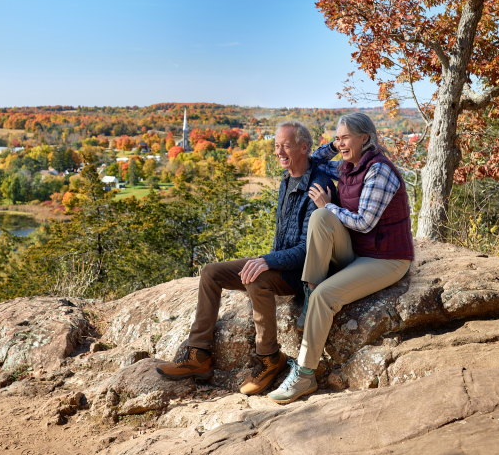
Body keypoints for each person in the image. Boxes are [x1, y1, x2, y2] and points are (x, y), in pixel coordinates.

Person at [156, 120, 338, 395]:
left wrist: (267, 261)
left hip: (301, 273)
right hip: (280, 261)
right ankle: (199, 355)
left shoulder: (319, 187)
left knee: (257, 281)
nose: (279, 152)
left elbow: (308, 250)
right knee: (210, 273)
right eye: (276, 146)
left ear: (304, 147)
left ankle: (269, 358)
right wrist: (267, 259)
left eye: (285, 146)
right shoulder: (287, 177)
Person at [268, 112, 414, 404]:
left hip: (386, 258)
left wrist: (329, 205)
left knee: (326, 293)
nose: (340, 143)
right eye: (337, 137)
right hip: (359, 252)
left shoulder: (379, 171)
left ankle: (306, 373)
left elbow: (364, 223)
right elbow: (317, 160)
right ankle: (310, 292)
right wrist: (336, 146)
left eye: (346, 136)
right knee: (321, 216)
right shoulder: (347, 167)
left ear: (365, 138)